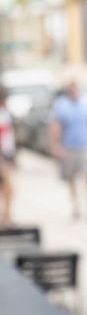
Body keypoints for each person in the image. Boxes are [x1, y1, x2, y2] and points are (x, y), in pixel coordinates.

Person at [50, 81, 87, 222]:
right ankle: (75, 207)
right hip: (69, 146)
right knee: (72, 178)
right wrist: (56, 145)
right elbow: (56, 126)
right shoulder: (61, 104)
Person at [0, 86, 16, 225]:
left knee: (7, 185)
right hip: (3, 154)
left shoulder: (5, 113)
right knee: (7, 185)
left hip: (5, 154)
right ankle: (6, 214)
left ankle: (7, 213)